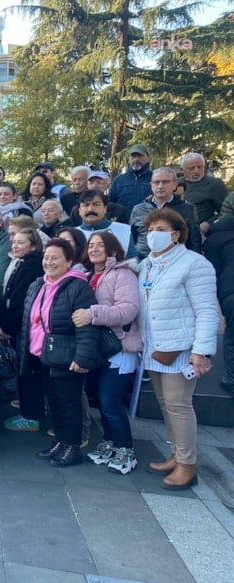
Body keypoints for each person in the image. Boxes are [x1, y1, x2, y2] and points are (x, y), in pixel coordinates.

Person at [139, 208, 218, 490]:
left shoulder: (194, 264)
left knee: (179, 405)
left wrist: (201, 351)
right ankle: (177, 454)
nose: (152, 236)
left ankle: (187, 464)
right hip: (154, 347)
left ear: (176, 234)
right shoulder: (148, 264)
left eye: (159, 230)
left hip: (181, 350)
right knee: (165, 404)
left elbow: (207, 310)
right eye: (149, 230)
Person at [17, 239, 100, 466]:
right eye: (46, 257)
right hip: (41, 355)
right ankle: (60, 443)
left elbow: (86, 326)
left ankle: (72, 447)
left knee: (68, 403)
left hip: (66, 357)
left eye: (55, 258)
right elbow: (28, 321)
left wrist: (82, 358)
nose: (49, 262)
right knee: (53, 401)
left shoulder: (77, 287)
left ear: (69, 261)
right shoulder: (38, 284)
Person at [72, 232, 142, 475]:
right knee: (101, 401)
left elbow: (129, 309)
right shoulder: (88, 275)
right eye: (91, 245)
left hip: (120, 347)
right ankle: (111, 443)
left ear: (113, 250)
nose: (94, 249)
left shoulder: (122, 273)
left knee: (110, 401)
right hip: (99, 348)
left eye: (101, 245)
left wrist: (93, 314)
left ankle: (125, 449)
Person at [130, 167, 202, 259]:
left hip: (176, 262)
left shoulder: (187, 209)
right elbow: (132, 239)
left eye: (165, 182)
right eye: (156, 182)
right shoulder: (138, 209)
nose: (160, 186)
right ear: (151, 185)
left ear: (174, 185)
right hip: (144, 261)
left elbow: (195, 241)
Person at [0, 229, 44, 347]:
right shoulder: (21, 262)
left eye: (20, 243)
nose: (15, 246)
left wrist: (7, 327)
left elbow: (19, 298)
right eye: (14, 242)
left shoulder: (32, 265)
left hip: (20, 328)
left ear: (33, 246)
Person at [204, 217, 234, 396]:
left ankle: (231, 380)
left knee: (231, 336)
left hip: (230, 291)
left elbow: (214, 272)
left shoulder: (214, 240)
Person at [76, 190, 136, 258]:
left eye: (96, 204)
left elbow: (133, 263)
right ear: (79, 210)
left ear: (105, 208)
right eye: (86, 205)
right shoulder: (72, 235)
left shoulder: (124, 230)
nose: (90, 209)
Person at [109, 144, 153, 215]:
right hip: (122, 224)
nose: (136, 159)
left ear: (148, 158)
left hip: (147, 224)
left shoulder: (155, 179)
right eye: (133, 156)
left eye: (140, 156)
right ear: (129, 159)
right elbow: (110, 203)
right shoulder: (118, 180)